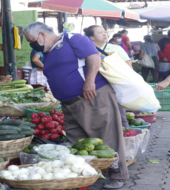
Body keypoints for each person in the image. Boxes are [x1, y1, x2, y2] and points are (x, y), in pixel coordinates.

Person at [24, 22, 128, 188]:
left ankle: (118, 175)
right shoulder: (49, 52)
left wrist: (89, 81)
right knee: (76, 141)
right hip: (69, 103)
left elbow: (93, 56)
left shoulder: (72, 38)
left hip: (91, 96)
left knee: (107, 135)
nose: (31, 44)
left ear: (42, 35)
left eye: (32, 40)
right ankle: (86, 175)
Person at [85, 25, 130, 130]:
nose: (104, 34)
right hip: (96, 86)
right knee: (99, 113)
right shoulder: (87, 49)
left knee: (120, 114)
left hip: (116, 85)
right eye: (100, 33)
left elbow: (128, 66)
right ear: (92, 37)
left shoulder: (115, 48)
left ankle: (126, 137)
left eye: (104, 32)